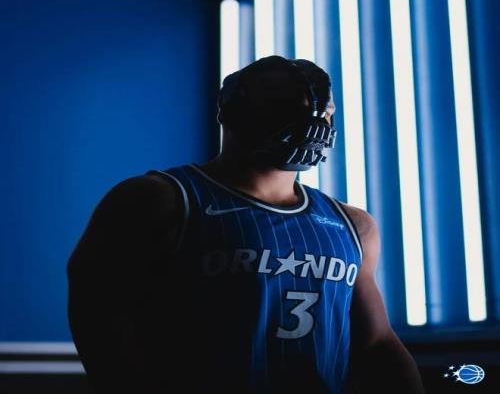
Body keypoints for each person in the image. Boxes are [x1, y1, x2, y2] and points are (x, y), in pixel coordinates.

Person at [67, 55, 425, 393]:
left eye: (323, 112)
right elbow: (97, 314)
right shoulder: (159, 200)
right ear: (231, 110)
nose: (313, 125)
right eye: (287, 108)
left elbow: (377, 343)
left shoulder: (353, 225)